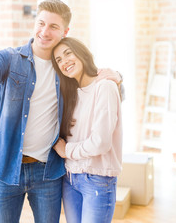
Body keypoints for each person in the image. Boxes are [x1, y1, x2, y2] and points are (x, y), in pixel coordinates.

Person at [0, 0, 122, 223]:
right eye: (41, 23)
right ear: (35, 22)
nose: (45, 31)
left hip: (48, 173)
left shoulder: (65, 69)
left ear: (65, 31)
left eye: (53, 27)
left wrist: (118, 78)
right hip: (6, 167)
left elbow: (96, 88)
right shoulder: (11, 59)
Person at [51, 37, 123, 223]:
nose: (64, 61)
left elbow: (100, 143)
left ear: (82, 53)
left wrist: (66, 150)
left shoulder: (105, 86)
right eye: (58, 60)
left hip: (97, 179)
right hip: (69, 178)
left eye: (68, 54)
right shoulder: (70, 94)